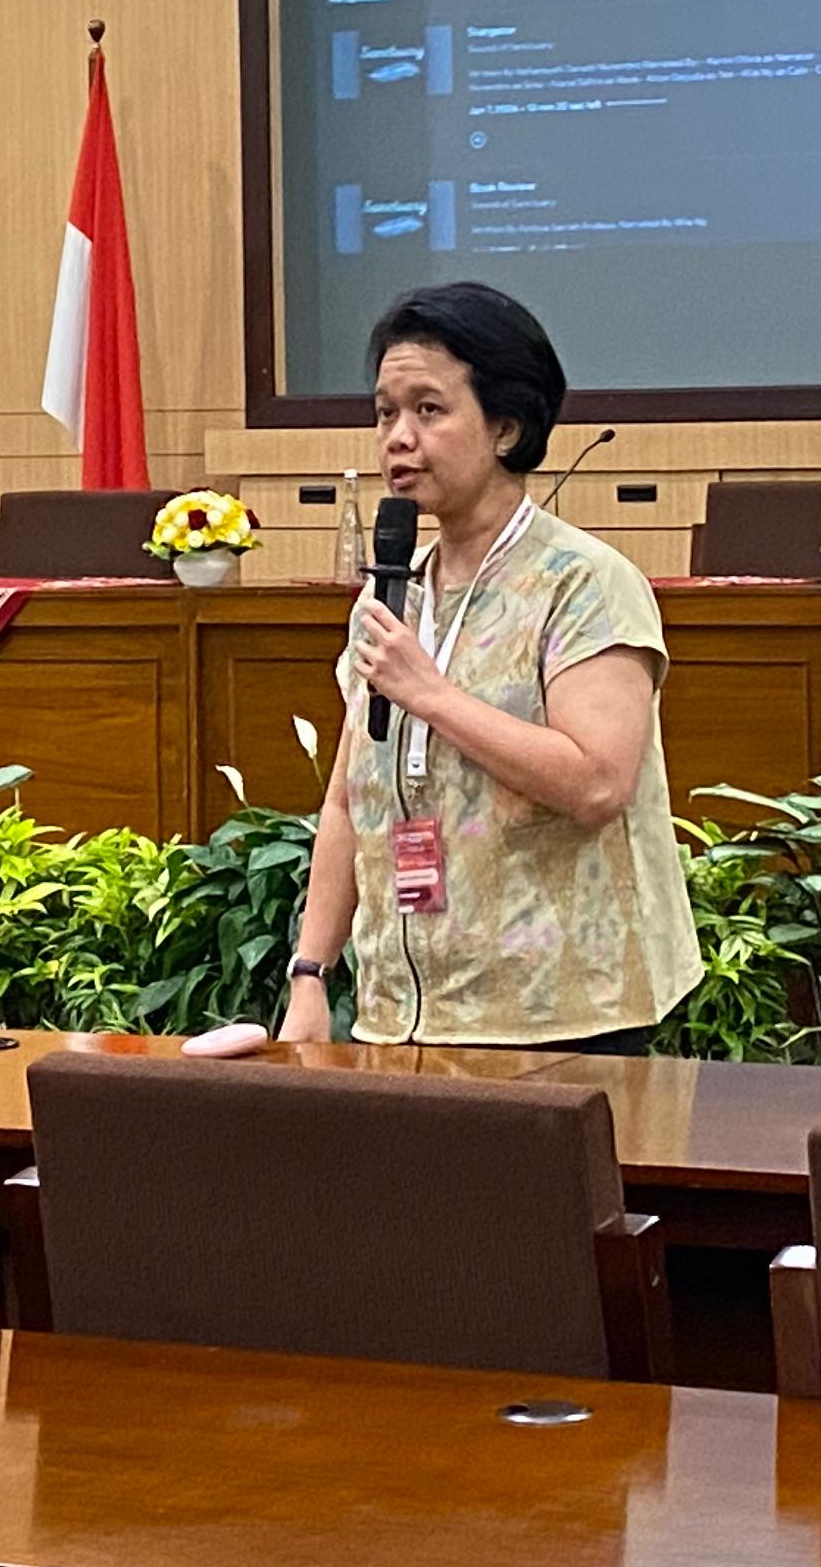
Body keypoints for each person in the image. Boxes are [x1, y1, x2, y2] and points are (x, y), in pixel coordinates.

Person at [277, 281, 701, 1052]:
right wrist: (310, 974)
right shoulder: (392, 593)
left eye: (428, 410)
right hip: (400, 1018)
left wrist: (432, 695)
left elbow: (598, 784)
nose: (398, 438)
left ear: (506, 427)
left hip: (563, 1019)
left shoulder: (583, 582)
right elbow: (348, 801)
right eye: (385, 413)